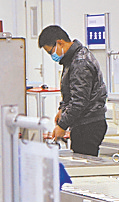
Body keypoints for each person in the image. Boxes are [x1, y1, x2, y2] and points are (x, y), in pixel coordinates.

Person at [38, 24, 108, 156]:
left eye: (50, 52)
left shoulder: (80, 63)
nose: (52, 56)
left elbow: (79, 101)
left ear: (60, 43)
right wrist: (62, 109)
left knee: (84, 164)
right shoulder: (71, 60)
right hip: (84, 122)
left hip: (89, 124)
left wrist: (62, 126)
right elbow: (70, 91)